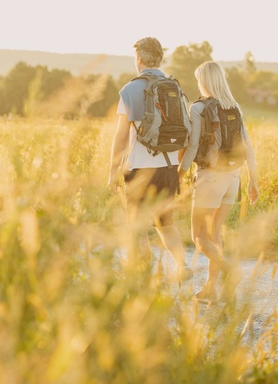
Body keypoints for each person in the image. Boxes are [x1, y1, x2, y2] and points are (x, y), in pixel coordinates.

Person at [108, 37, 193, 298]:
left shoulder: (131, 90)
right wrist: (177, 167)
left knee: (137, 226)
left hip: (139, 170)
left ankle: (142, 278)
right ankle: (182, 266)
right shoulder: (175, 88)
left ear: (140, 60)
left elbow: (122, 135)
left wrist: (112, 171)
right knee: (165, 223)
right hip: (168, 167)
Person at [178, 61, 259, 303]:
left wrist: (179, 174)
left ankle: (228, 270)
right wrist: (253, 181)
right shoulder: (234, 107)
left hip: (210, 178)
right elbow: (249, 147)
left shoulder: (198, 108)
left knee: (199, 237)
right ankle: (211, 290)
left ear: (203, 81)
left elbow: (192, 146)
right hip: (233, 179)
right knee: (215, 235)